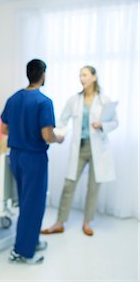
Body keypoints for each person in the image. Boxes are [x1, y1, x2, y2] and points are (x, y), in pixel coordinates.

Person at [42, 66, 118, 237]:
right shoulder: (74, 100)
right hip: (80, 148)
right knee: (69, 184)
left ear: (94, 77)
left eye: (85, 75)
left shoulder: (104, 100)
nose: (81, 78)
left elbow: (115, 122)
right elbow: (61, 122)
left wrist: (102, 125)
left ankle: (87, 222)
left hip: (98, 149)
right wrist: (56, 134)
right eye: (80, 75)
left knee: (93, 187)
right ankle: (60, 222)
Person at [1, 59, 64, 264]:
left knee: (26, 202)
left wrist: (21, 131)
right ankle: (23, 252)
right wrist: (59, 138)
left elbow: (4, 129)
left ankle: (32, 240)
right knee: (33, 204)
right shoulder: (44, 102)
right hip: (34, 158)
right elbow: (47, 134)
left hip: (16, 156)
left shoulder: (13, 99)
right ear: (43, 75)